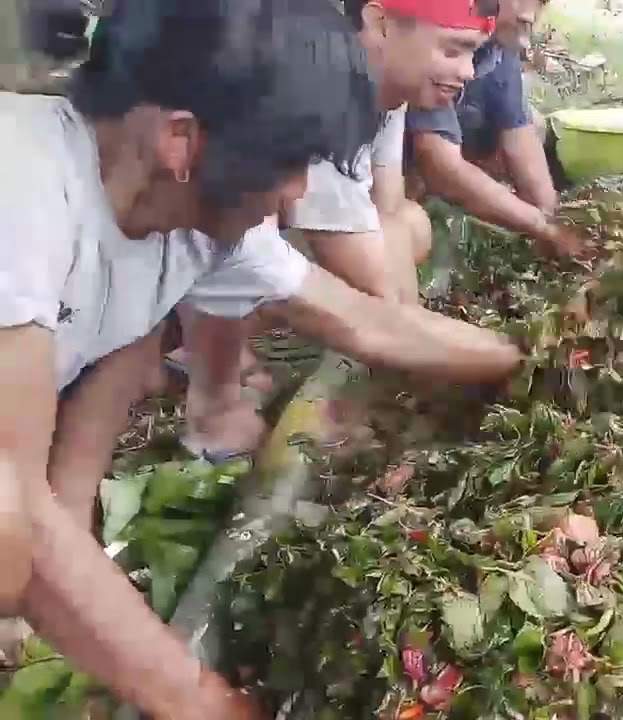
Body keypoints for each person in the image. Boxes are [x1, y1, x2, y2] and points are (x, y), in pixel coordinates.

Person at [0, 1, 518, 716]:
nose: (299, 193)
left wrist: (529, 360)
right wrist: (206, 701)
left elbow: (368, 325)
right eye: (292, 162)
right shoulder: (21, 195)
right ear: (183, 140)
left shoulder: (183, 218)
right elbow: (13, 515)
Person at [175, 0, 501, 460]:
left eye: (473, 54)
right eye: (454, 50)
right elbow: (369, 318)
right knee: (241, 242)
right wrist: (499, 356)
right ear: (379, 21)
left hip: (260, 241)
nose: (468, 72)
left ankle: (220, 351)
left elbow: (388, 215)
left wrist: (412, 320)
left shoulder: (386, 97)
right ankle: (213, 390)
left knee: (411, 223)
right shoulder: (320, 97)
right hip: (227, 240)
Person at [406, 0, 584, 256]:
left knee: (535, 124)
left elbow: (519, 134)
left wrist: (555, 218)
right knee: (410, 222)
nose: (530, 16)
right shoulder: (441, 29)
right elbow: (440, 163)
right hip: (391, 158)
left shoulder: (499, 44)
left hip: (454, 139)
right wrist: (541, 226)